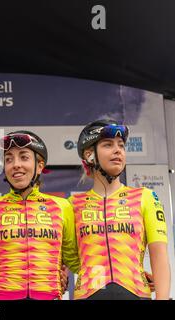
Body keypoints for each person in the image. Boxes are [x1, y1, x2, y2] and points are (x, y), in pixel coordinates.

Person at [69, 119, 170, 300]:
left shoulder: (145, 197)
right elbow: (63, 258)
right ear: (89, 155)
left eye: (121, 146)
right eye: (108, 145)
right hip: (88, 293)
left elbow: (159, 256)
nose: (118, 150)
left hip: (135, 293)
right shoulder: (72, 204)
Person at [0, 130, 79, 300]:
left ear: (39, 166)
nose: (15, 164)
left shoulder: (62, 206)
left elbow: (73, 258)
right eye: (9, 159)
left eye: (24, 157)